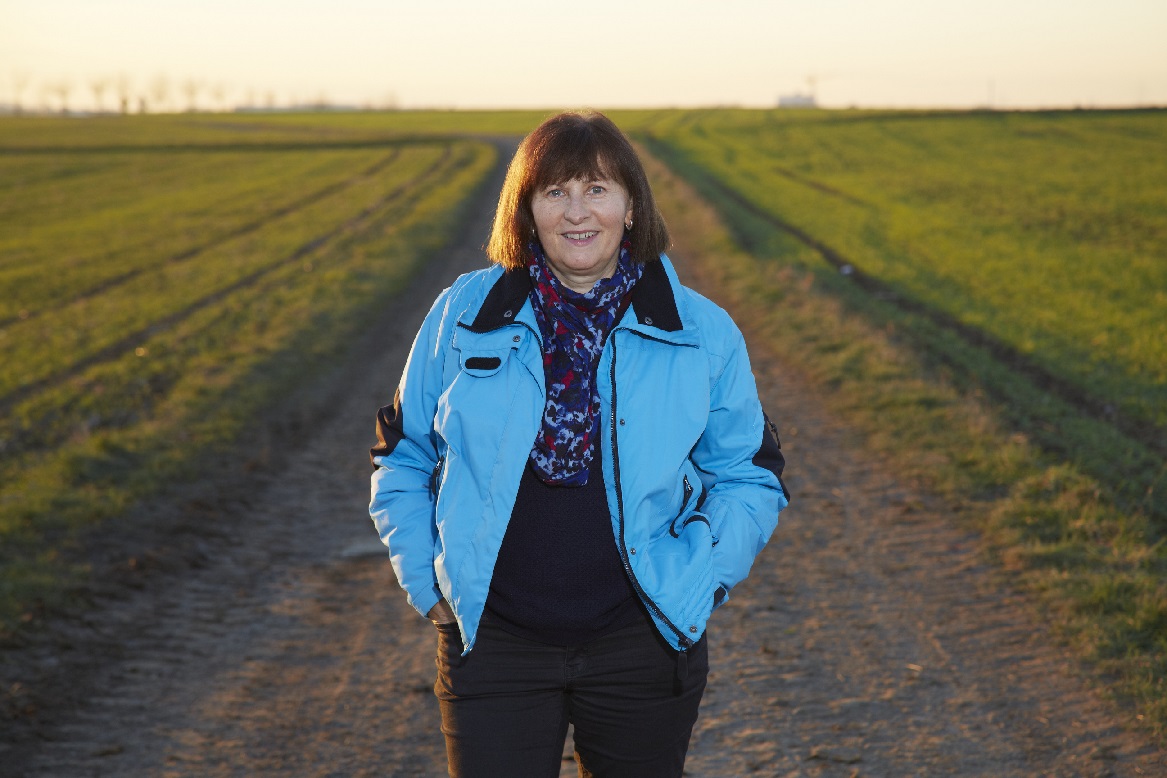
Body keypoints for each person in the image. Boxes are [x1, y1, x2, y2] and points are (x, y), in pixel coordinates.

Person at [369, 110, 789, 777]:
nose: (576, 211)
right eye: (554, 191)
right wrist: (432, 586)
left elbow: (747, 471)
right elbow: (404, 454)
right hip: (494, 642)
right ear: (526, 210)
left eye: (596, 189)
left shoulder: (699, 331)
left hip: (642, 644)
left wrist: (699, 580)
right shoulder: (464, 314)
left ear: (630, 207)